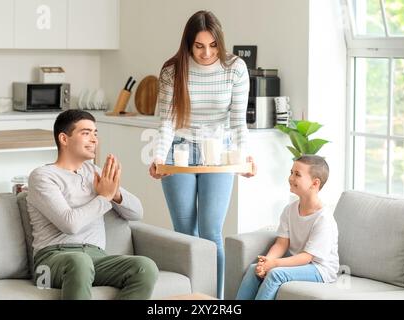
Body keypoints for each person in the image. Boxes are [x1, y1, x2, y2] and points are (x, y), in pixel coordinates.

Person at [149, 10, 256, 298]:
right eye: (199, 46)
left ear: (220, 42)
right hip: (179, 150)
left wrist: (243, 157)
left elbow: (237, 122)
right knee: (185, 234)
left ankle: (214, 300)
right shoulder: (172, 71)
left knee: (211, 233)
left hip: (218, 152)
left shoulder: (235, 68)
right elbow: (167, 122)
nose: (207, 53)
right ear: (188, 44)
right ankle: (190, 297)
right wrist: (159, 159)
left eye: (212, 45)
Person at [27, 110, 158, 300]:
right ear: (64, 139)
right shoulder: (43, 176)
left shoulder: (94, 172)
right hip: (49, 264)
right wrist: (104, 197)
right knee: (79, 262)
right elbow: (70, 224)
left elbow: (137, 212)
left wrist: (115, 193)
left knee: (145, 267)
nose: (95, 139)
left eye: (95, 133)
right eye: (86, 133)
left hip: (96, 258)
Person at [236, 155, 339, 300]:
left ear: (315, 184)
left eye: (297, 174)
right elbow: (281, 244)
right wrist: (266, 262)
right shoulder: (289, 210)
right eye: (291, 172)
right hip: (300, 262)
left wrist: (275, 264)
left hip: (320, 268)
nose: (291, 178)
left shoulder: (324, 219)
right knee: (254, 269)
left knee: (276, 273)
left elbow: (307, 257)